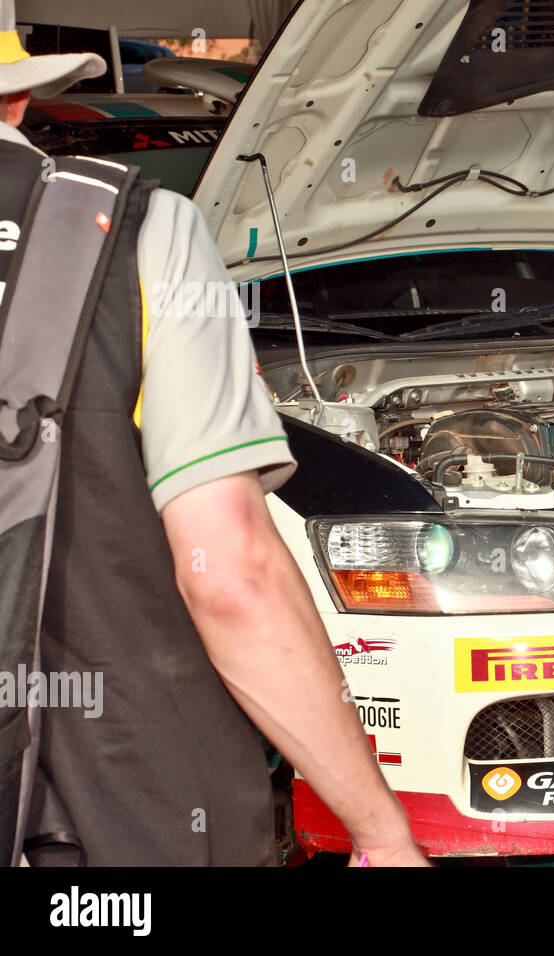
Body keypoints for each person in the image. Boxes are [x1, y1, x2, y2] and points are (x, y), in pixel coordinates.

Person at [0, 5, 425, 866]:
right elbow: (228, 575)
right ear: (15, 103)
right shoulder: (134, 236)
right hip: (114, 813)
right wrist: (380, 835)